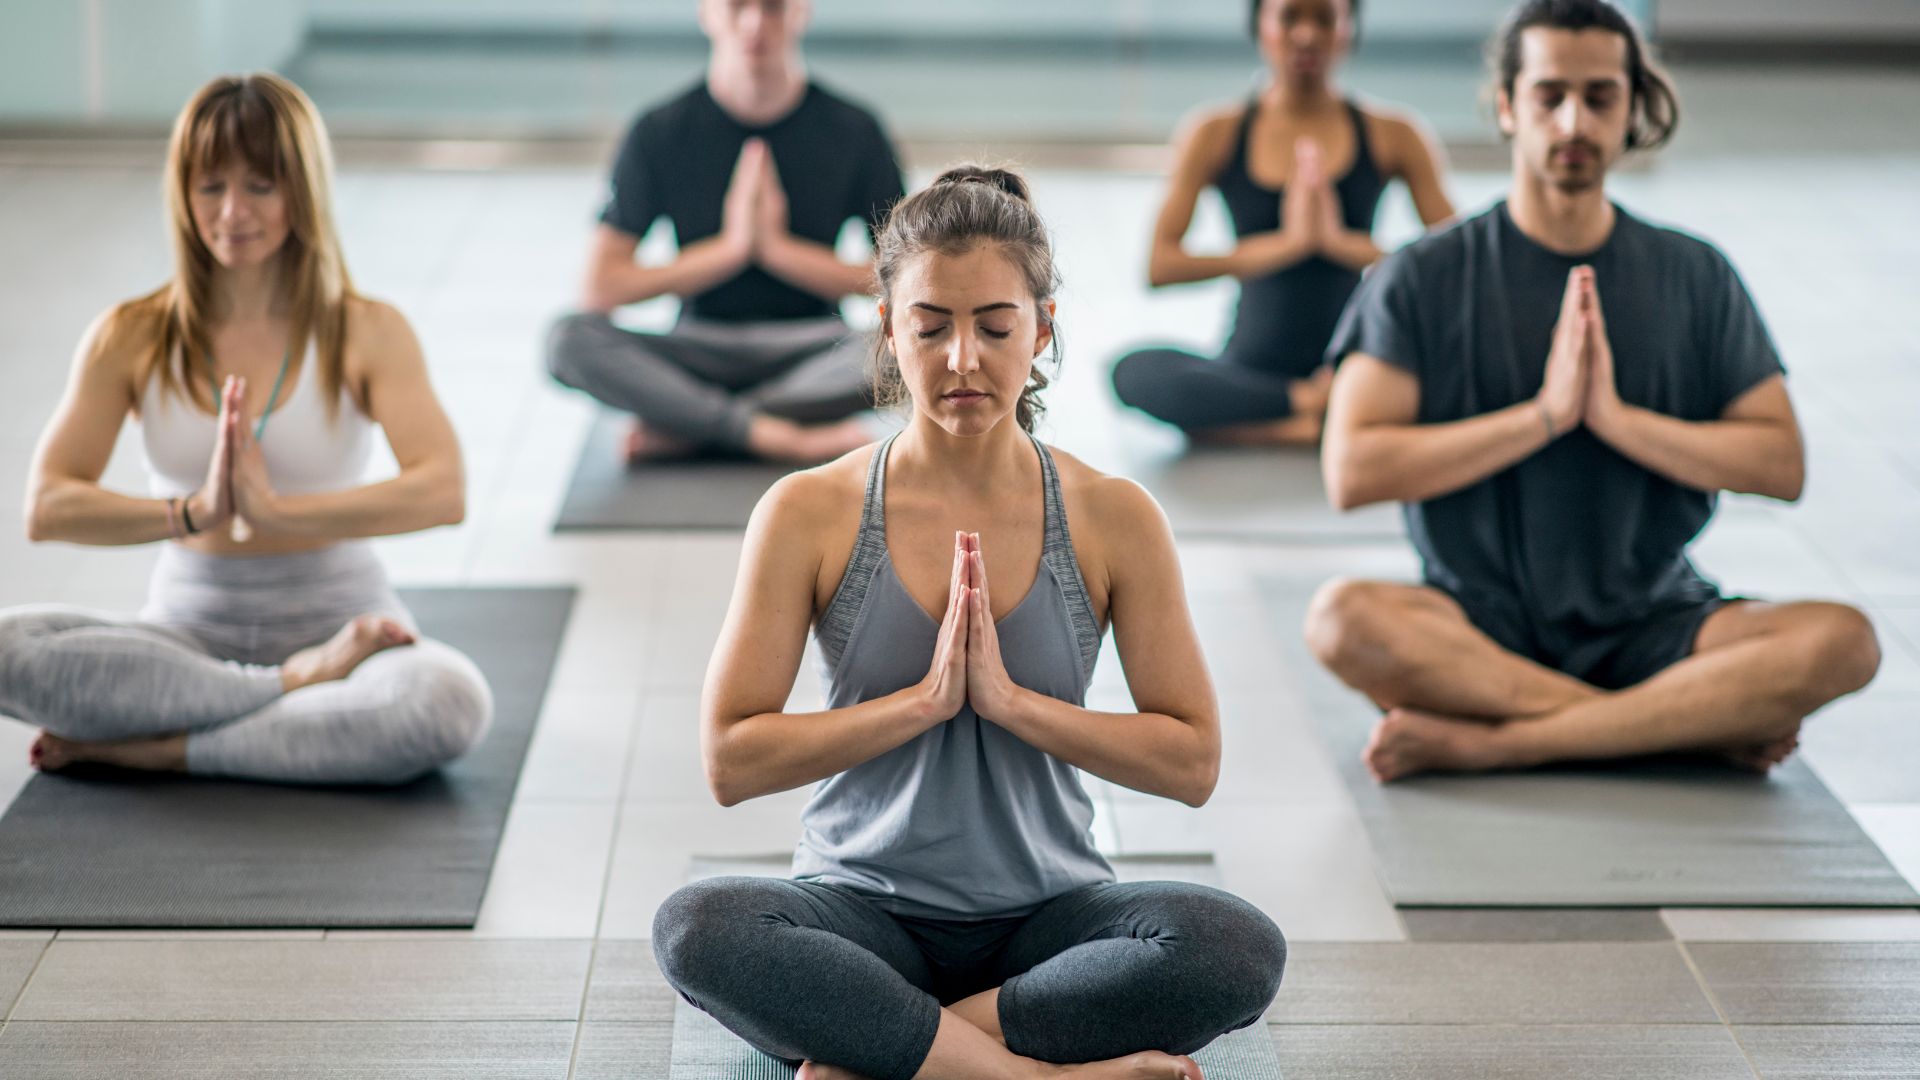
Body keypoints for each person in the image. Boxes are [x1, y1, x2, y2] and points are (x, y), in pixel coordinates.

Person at [652, 168, 1285, 1080]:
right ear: (886, 328)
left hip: (1048, 924)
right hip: (862, 913)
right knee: (698, 928)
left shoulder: (1114, 516)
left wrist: (1012, 705)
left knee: (1235, 948)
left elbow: (1191, 762)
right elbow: (729, 759)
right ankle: (1032, 1074)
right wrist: (918, 705)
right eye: (931, 326)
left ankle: (904, 1045)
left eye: (995, 327)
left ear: (1043, 328)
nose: (963, 361)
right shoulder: (808, 511)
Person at [1305, 0, 1880, 783]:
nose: (1574, 120)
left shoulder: (1695, 273)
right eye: (1550, 95)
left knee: (1844, 641)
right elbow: (1353, 471)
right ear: (1508, 106)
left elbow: (1781, 464)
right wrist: (1543, 417)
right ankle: (1676, 725)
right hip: (1476, 628)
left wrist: (1614, 419)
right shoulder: (1422, 274)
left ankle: (1510, 740)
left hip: (1655, 622)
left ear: (1633, 108)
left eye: (1601, 96)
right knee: (1342, 618)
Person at [0, 73, 491, 785]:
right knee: (8, 647)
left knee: (445, 704)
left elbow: (444, 491)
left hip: (344, 619)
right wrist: (193, 512)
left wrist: (277, 513)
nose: (233, 212)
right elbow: (47, 506)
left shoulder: (366, 330)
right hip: (185, 635)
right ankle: (288, 690)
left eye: (260, 186)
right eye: (210, 187)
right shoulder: (130, 335)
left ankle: (167, 747)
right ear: (183, 193)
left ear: (302, 191)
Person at [544, 0, 906, 465]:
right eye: (738, 6)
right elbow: (600, 287)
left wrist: (778, 251)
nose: (755, 23)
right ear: (707, 12)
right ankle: (775, 432)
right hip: (698, 348)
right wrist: (729, 250)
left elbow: (906, 281)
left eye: (773, 7)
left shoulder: (855, 130)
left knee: (917, 342)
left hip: (814, 346)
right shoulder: (659, 131)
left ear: (802, 11)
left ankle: (694, 426)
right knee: (568, 340)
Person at [1111, 0, 1454, 447]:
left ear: (1349, 28)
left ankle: (1262, 426)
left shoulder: (1395, 134)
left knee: (1466, 371)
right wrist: (1285, 246)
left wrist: (1339, 243)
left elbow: (1455, 265)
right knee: (1133, 371)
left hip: (1359, 363)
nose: (1307, 35)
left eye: (1325, 19)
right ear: (1262, 25)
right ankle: (1308, 410)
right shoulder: (1215, 132)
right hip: (1251, 371)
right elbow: (1160, 265)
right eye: (1291, 17)